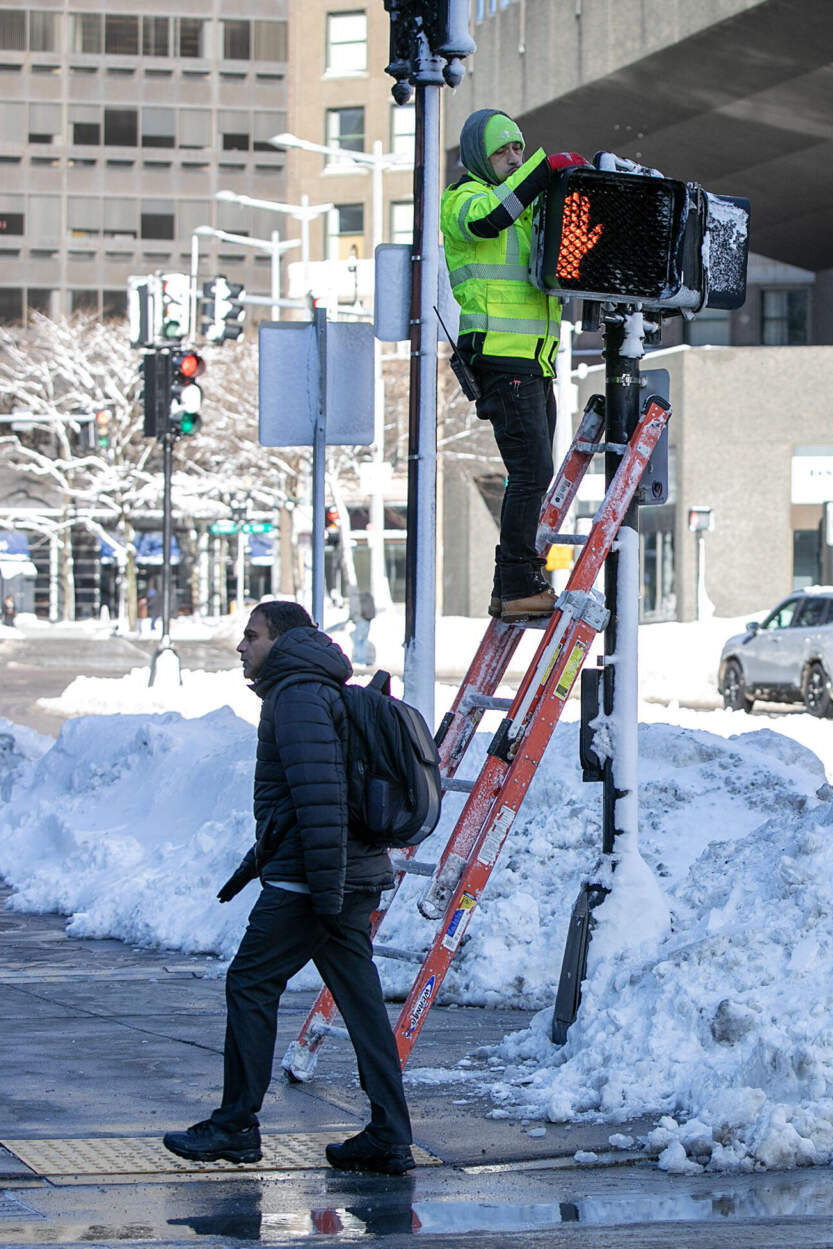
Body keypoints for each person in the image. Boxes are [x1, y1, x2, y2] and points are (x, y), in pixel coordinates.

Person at [163, 600, 414, 1175]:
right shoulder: (311, 689)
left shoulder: (296, 695)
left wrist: (322, 895)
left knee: (251, 982)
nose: (242, 646)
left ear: (282, 639)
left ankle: (235, 1126)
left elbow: (320, 801)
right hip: (338, 874)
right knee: (361, 1004)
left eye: (251, 635)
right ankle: (389, 1134)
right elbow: (300, 800)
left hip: (314, 881)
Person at [440, 109, 584, 621]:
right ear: (481, 156)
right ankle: (521, 580)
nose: (515, 158)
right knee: (531, 472)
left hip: (533, 360)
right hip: (502, 360)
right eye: (504, 151)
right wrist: (543, 168)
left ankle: (511, 588)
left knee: (533, 472)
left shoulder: (520, 209)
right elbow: (489, 218)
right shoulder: (464, 201)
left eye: (520, 149)